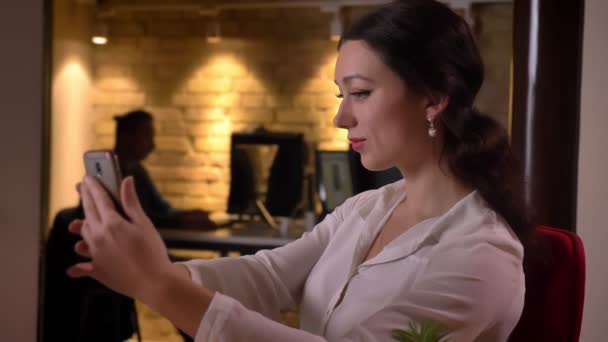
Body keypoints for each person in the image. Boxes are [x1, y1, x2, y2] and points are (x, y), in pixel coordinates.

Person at [66, 1, 532, 341]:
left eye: (361, 93)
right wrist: (148, 272)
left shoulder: (481, 258)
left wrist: (157, 284)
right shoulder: (367, 210)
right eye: (340, 96)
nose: (340, 119)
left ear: (433, 98)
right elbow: (267, 277)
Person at [113, 109, 216, 230]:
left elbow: (162, 208)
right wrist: (180, 222)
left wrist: (187, 215)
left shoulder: (138, 172)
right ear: (126, 136)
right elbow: (134, 219)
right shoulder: (111, 175)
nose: (152, 145)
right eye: (146, 137)